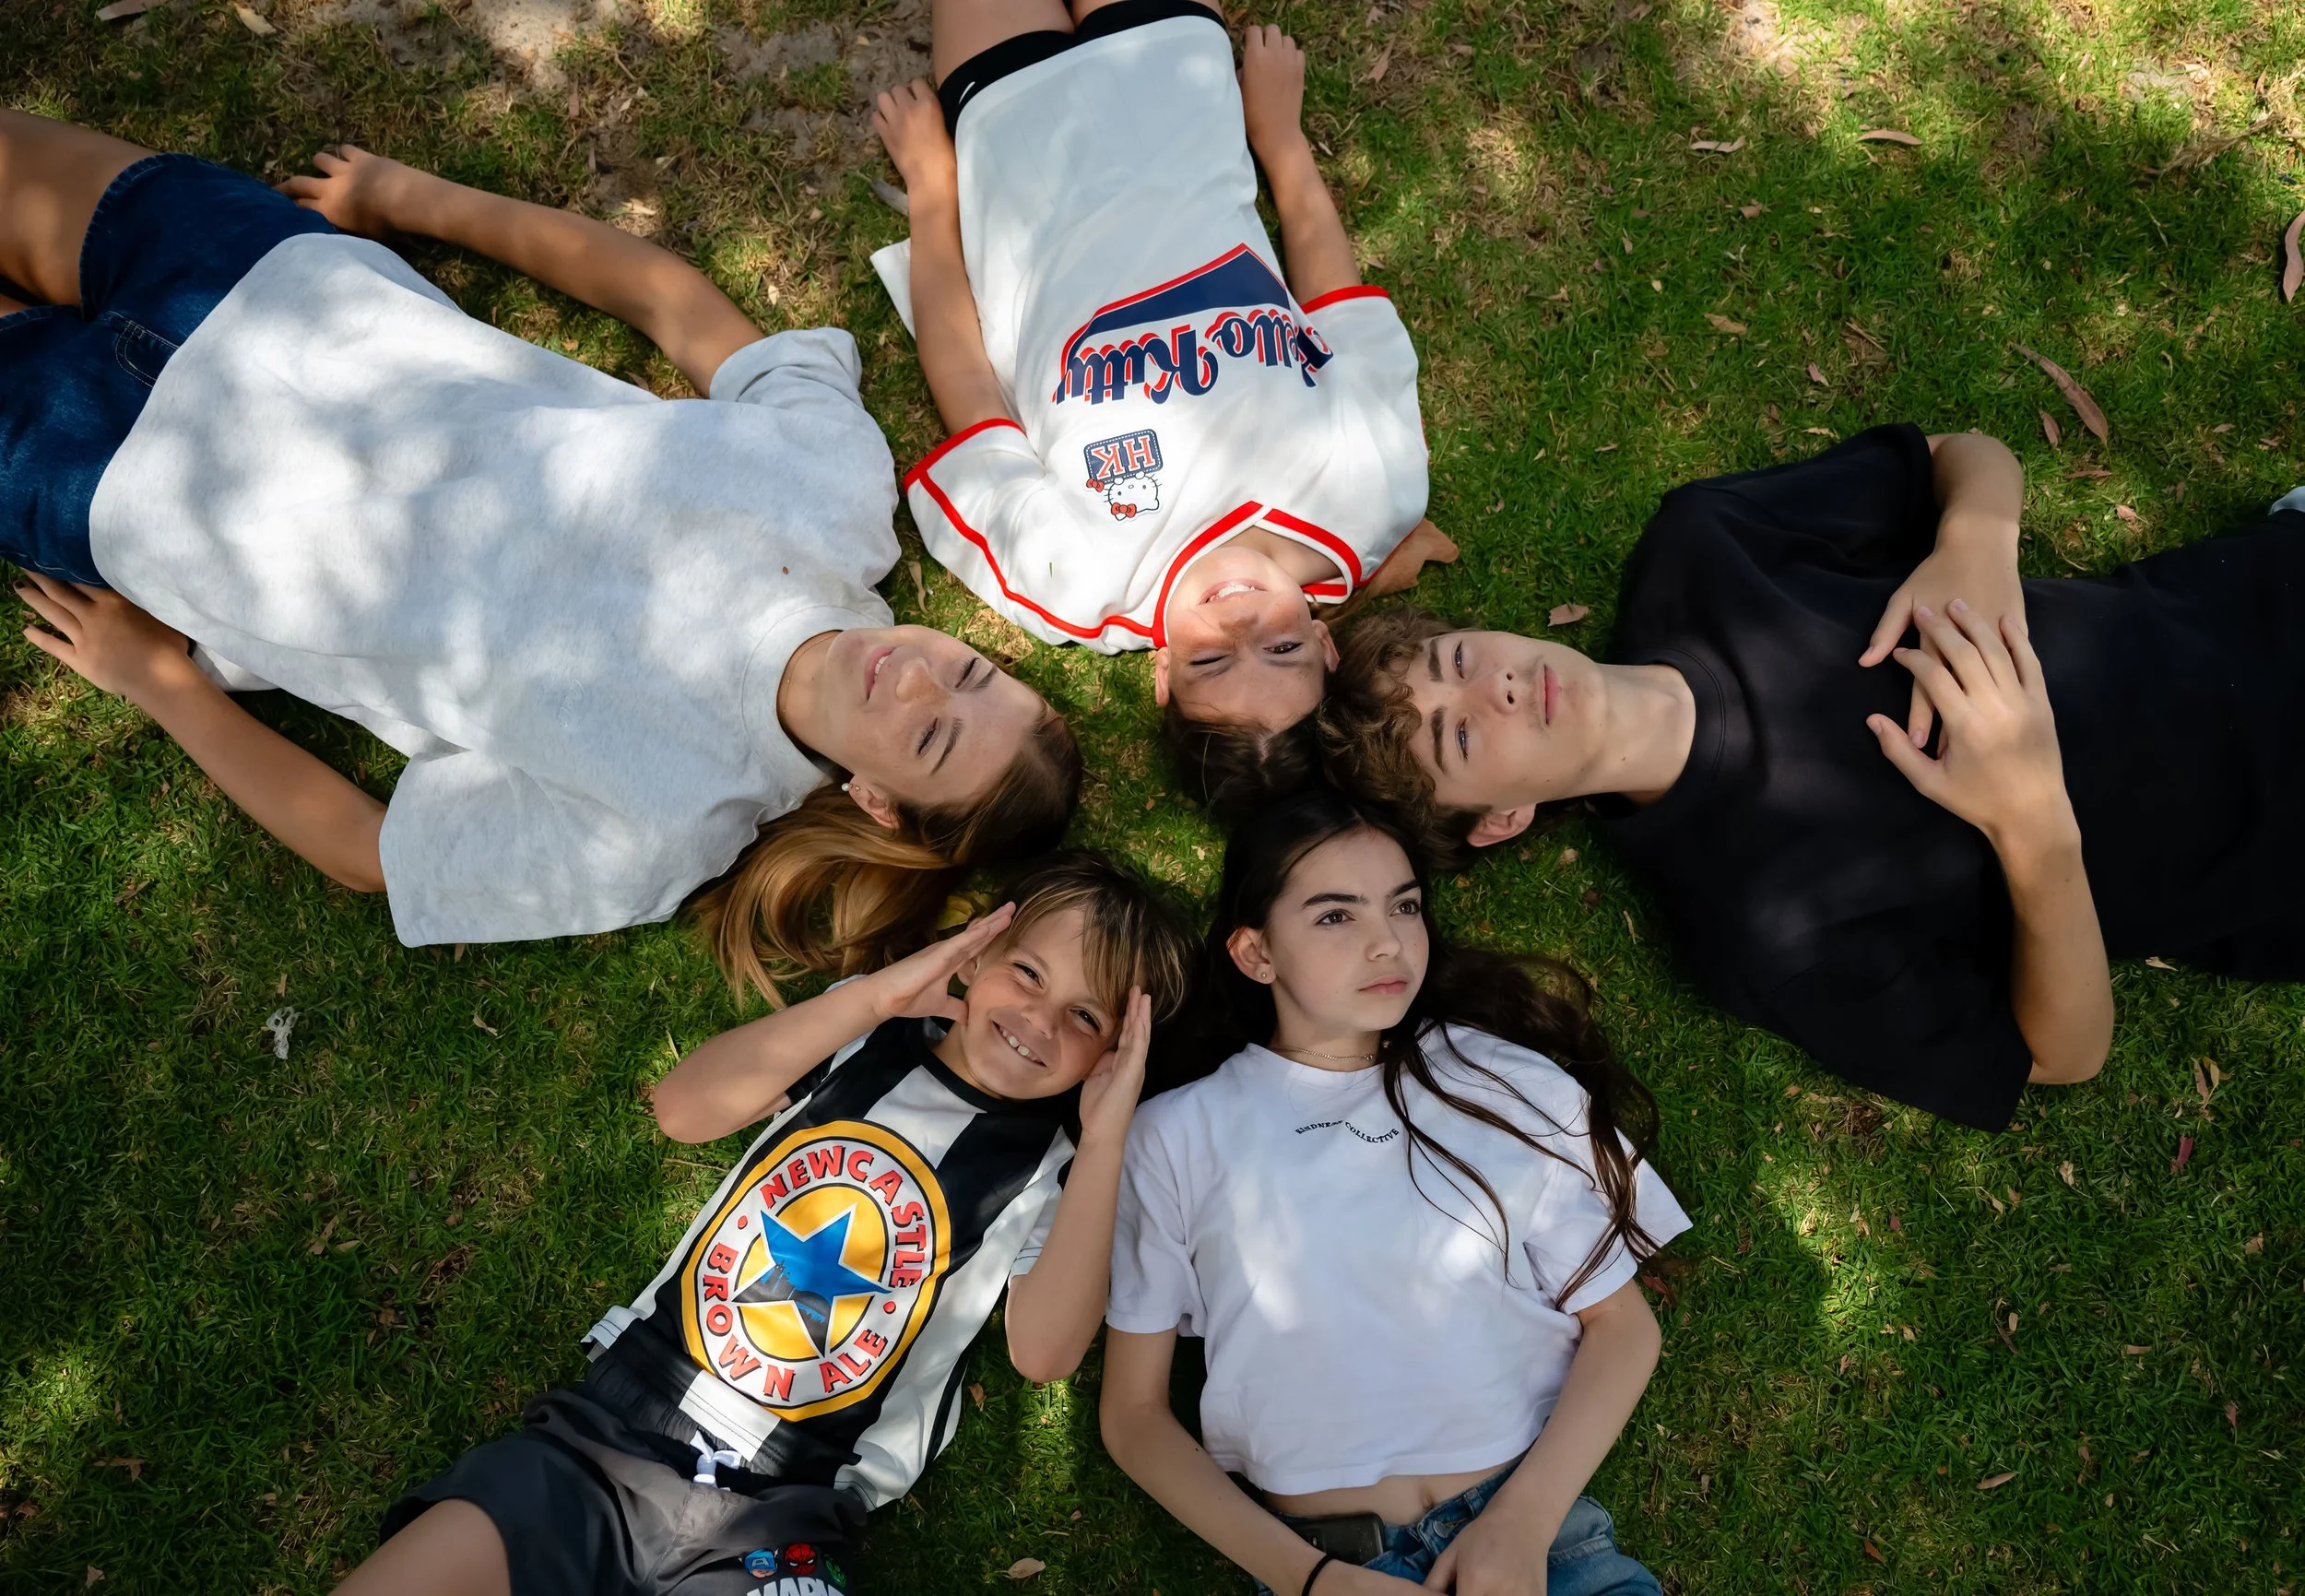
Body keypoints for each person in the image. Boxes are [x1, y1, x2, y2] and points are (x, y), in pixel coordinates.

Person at [0, 112, 1079, 995]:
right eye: (976, 669)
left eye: (933, 735)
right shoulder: (837, 490)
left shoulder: (663, 828)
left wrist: (158, 685)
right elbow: (670, 302)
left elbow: (374, 853)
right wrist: (410, 198)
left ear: (877, 800)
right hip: (275, 285)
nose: (926, 677)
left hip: (134, 486)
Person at [1321, 423, 2305, 1130]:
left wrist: (1974, 545)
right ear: (1500, 820)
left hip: (2266, 594)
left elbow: (1960, 454)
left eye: (1454, 662)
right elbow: (2062, 1055)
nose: (1490, 690)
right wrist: (2032, 823)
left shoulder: (1701, 551)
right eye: (1455, 742)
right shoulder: (1759, 926)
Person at [335, 850, 1197, 1596]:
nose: (1039, 1020)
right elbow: (682, 1107)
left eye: (1088, 1017)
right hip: (611, 1431)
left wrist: (1111, 1126)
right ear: (976, 952)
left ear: (1117, 1051)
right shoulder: (866, 1039)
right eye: (1027, 972)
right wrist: (874, 998)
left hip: (790, 1506)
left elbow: (1042, 1354)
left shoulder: (1065, 1172)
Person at [863, 7, 1459, 812]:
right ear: (1325, 642)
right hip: (1174, 91)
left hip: (1016, 138)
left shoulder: (1077, 582)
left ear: (1163, 676)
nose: (1240, 622)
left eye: (1212, 663)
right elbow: (1338, 305)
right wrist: (1280, 137)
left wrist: (935, 192)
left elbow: (966, 384)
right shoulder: (1377, 493)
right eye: (1281, 648)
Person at [1101, 786, 1687, 1596]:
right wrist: (1311, 1579)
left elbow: (1623, 1324)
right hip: (1330, 1568)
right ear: (1255, 953)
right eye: (1336, 916)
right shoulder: (1175, 1134)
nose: (1388, 944)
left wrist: (1519, 1526)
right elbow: (1133, 1420)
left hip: (1539, 1552)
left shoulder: (1496, 1076)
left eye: (1404, 906)